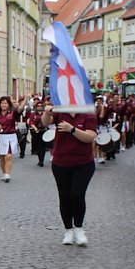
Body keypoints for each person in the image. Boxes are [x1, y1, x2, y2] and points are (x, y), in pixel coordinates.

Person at [42, 103, 98, 246]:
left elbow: (90, 136)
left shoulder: (88, 113)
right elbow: (45, 122)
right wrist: (47, 112)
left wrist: (71, 129)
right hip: (61, 162)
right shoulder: (61, 111)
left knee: (77, 194)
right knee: (64, 196)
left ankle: (79, 228)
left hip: (83, 163)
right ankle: (68, 230)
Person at [0, 95, 24, 182]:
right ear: (0, 104)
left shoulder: (13, 112)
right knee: (2, 157)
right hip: (0, 137)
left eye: (5, 103)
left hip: (10, 136)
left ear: (8, 104)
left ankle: (7, 174)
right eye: (2, 103)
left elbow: (20, 109)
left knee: (8, 156)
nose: (4, 105)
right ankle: (4, 173)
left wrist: (26, 99)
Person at [28, 99, 47, 167]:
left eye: (41, 106)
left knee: (42, 146)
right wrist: (35, 128)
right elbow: (31, 122)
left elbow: (47, 122)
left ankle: (42, 161)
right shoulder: (33, 114)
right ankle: (39, 160)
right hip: (36, 131)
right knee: (38, 146)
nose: (39, 107)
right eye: (38, 106)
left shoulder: (45, 113)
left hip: (43, 131)